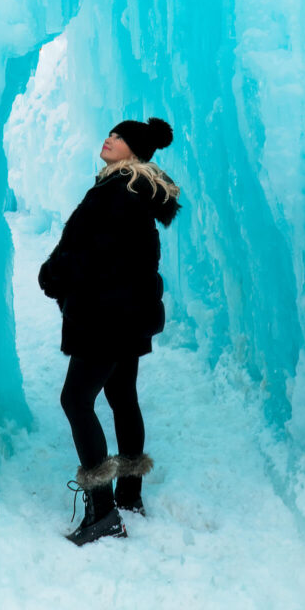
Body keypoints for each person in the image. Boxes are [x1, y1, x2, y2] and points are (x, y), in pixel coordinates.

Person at [38, 116, 181, 546]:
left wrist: (53, 275)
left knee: (76, 399)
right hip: (129, 312)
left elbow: (88, 251)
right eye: (111, 133)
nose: (109, 138)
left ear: (134, 151)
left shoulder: (116, 192)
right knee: (122, 397)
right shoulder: (135, 190)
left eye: (119, 137)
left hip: (105, 314)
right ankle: (130, 495)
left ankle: (102, 512)